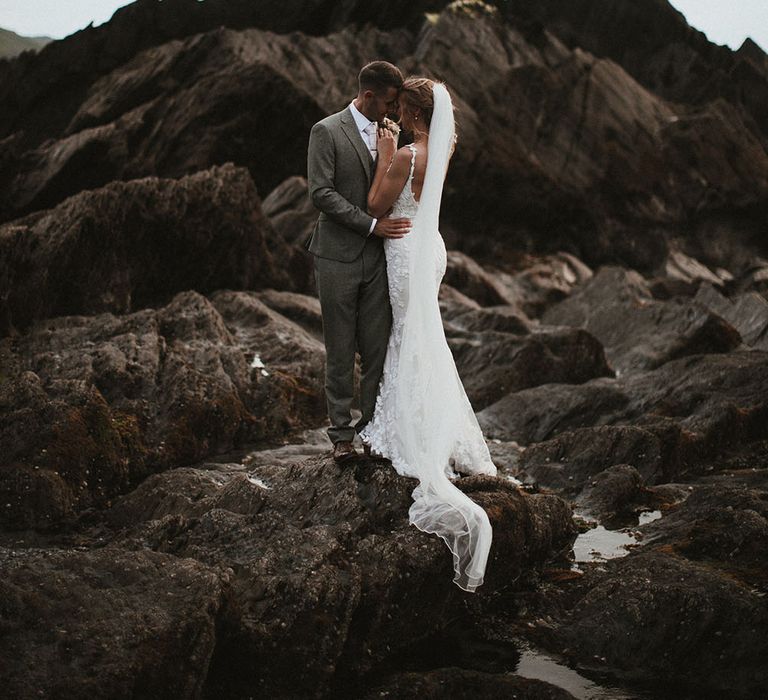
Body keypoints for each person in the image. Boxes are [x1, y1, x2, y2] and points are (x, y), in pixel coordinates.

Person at [359, 77, 523, 592]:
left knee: (410, 338)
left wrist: (386, 153)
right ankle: (436, 425)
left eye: (402, 110)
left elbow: (375, 206)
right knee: (426, 340)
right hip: (430, 250)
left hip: (406, 251)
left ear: (410, 111)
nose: (398, 115)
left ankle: (414, 432)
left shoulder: (408, 155)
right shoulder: (442, 149)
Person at [306, 61, 411, 464]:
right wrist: (371, 225)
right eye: (387, 103)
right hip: (336, 255)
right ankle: (341, 437)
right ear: (368, 96)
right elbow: (321, 193)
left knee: (376, 350)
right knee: (339, 348)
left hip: (380, 259)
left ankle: (372, 432)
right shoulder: (326, 131)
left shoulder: (391, 135)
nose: (392, 113)